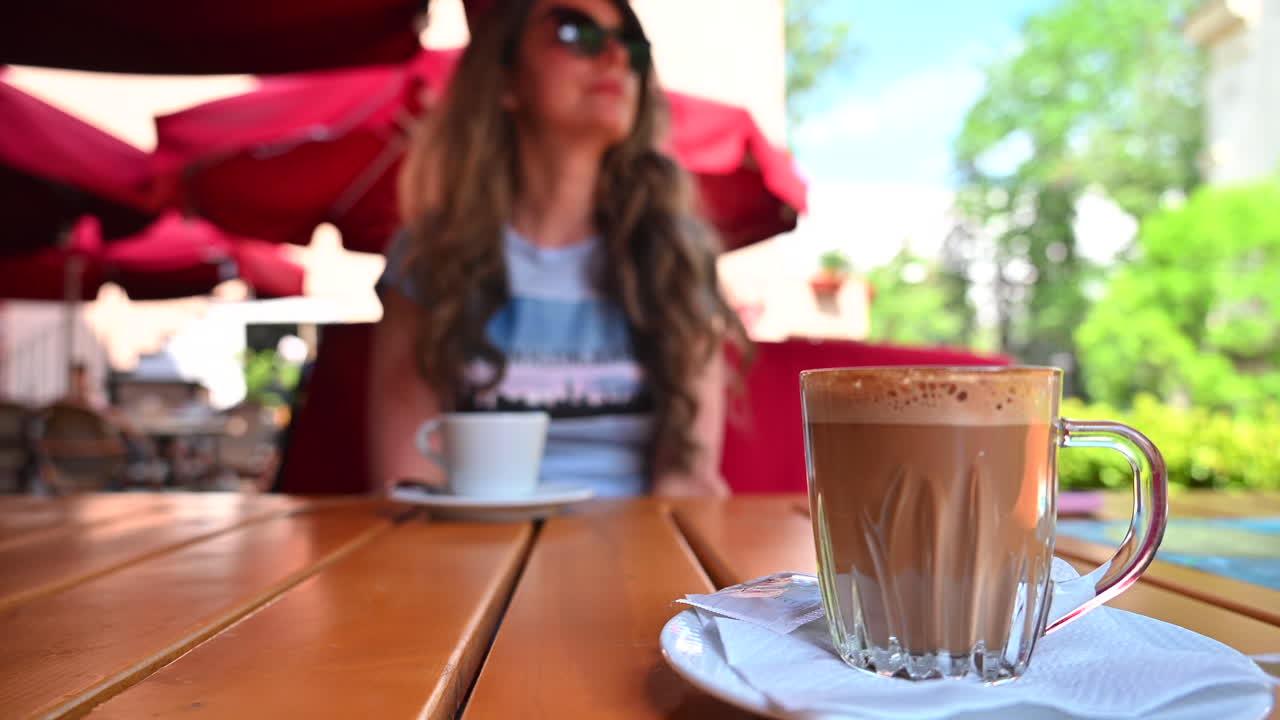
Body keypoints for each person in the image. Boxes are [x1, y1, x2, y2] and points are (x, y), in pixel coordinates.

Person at [370, 0, 749, 498]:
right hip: (472, 564)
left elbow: (687, 481)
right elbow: (410, 478)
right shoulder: (427, 257)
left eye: (632, 44)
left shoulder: (675, 258)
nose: (615, 55)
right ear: (504, 81)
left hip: (639, 564)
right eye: (575, 32)